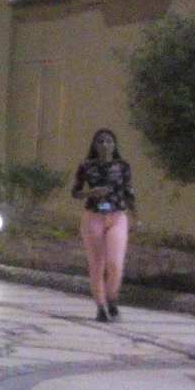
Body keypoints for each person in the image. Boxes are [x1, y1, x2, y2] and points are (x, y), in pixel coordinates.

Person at [70, 127, 135, 322]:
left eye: (108, 141)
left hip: (117, 216)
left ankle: (112, 299)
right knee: (97, 264)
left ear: (114, 145)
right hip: (94, 216)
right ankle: (100, 306)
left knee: (115, 264)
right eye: (100, 141)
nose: (105, 145)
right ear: (94, 145)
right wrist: (91, 193)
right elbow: (75, 192)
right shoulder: (86, 166)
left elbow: (129, 192)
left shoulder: (123, 166)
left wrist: (135, 216)